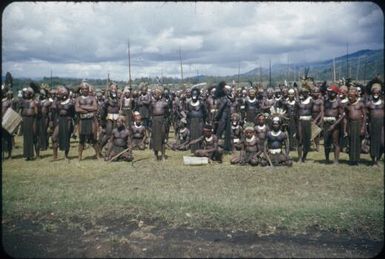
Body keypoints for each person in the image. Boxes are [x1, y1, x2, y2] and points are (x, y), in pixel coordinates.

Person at [75, 82, 100, 160]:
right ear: (81, 90)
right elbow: (77, 109)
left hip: (91, 120)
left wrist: (82, 107)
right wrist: (89, 108)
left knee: (94, 139)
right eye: (83, 89)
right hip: (82, 120)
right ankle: (79, 156)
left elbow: (95, 108)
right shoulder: (78, 99)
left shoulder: (92, 98)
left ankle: (97, 155)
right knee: (81, 139)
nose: (85, 90)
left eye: (86, 88)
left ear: (88, 89)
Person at [343, 87, 366, 165]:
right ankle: (351, 159)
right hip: (350, 125)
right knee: (351, 141)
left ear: (355, 95)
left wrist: (363, 128)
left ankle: (357, 160)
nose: (350, 97)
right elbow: (345, 118)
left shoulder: (360, 104)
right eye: (348, 96)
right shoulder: (347, 106)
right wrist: (345, 129)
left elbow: (365, 117)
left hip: (359, 124)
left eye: (351, 96)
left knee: (358, 142)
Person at [51, 86, 75, 161]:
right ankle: (55, 157)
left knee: (66, 138)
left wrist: (74, 125)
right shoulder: (57, 101)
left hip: (68, 121)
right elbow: (54, 110)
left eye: (60, 93)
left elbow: (74, 114)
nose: (59, 95)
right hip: (60, 120)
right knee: (54, 137)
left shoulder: (71, 102)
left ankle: (66, 156)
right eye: (59, 94)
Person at [322, 85, 344, 164]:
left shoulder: (339, 102)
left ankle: (336, 160)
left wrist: (334, 125)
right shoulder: (326, 101)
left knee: (335, 142)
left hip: (335, 123)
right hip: (326, 123)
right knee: (326, 142)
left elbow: (342, 115)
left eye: (331, 92)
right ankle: (327, 159)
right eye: (329, 91)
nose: (329, 93)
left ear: (335, 93)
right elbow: (323, 112)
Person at [366, 83, 384, 166]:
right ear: (372, 94)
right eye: (374, 93)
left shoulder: (383, 103)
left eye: (377, 93)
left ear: (380, 93)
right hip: (372, 124)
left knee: (382, 143)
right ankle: (374, 161)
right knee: (373, 142)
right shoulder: (369, 104)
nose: (375, 95)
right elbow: (366, 115)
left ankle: (378, 157)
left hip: (382, 125)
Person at [150, 87, 169, 161]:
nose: (156, 95)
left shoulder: (164, 103)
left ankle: (163, 155)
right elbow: (150, 111)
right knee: (154, 138)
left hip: (162, 121)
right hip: (155, 121)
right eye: (155, 93)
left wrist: (164, 120)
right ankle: (155, 155)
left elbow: (167, 113)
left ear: (160, 94)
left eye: (157, 93)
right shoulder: (152, 103)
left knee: (162, 138)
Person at [186, 87, 208, 153]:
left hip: (200, 121)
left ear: (198, 95)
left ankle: (200, 149)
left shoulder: (202, 103)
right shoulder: (188, 103)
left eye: (195, 94)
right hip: (192, 121)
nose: (194, 96)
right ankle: (193, 150)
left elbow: (205, 113)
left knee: (200, 134)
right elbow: (187, 113)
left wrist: (204, 121)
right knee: (193, 135)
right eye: (193, 94)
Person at [20, 87, 38, 160]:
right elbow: (20, 111)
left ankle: (31, 154)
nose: (26, 94)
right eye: (25, 93)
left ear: (30, 94)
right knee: (26, 138)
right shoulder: (23, 102)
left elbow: (36, 113)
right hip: (24, 120)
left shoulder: (34, 102)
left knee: (31, 138)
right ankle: (26, 155)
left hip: (31, 120)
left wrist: (34, 122)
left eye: (27, 93)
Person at [296, 87, 314, 163]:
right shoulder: (298, 101)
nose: (304, 93)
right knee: (300, 139)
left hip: (308, 121)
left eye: (306, 92)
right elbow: (296, 112)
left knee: (307, 140)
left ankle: (304, 157)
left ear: (308, 93)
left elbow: (313, 111)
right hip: (300, 121)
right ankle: (299, 158)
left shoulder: (311, 101)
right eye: (303, 92)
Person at [214, 81, 232, 152]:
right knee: (220, 131)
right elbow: (221, 108)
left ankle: (226, 147)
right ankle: (216, 147)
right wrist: (217, 116)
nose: (226, 89)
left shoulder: (225, 97)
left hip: (226, 115)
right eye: (225, 88)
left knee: (226, 132)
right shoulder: (224, 98)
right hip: (223, 116)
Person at [2, 90, 17, 159]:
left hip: (7, 121)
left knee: (8, 138)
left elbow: (11, 111)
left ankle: (10, 155)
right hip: (1, 120)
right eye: (8, 94)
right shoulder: (3, 101)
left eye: (10, 94)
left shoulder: (10, 102)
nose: (9, 95)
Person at [311, 85, 324, 151]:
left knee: (317, 134)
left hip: (318, 118)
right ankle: (312, 145)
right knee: (312, 133)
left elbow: (321, 112)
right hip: (311, 118)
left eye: (317, 92)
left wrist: (318, 120)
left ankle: (317, 146)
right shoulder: (310, 100)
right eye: (314, 92)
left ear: (319, 93)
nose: (315, 93)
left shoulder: (320, 101)